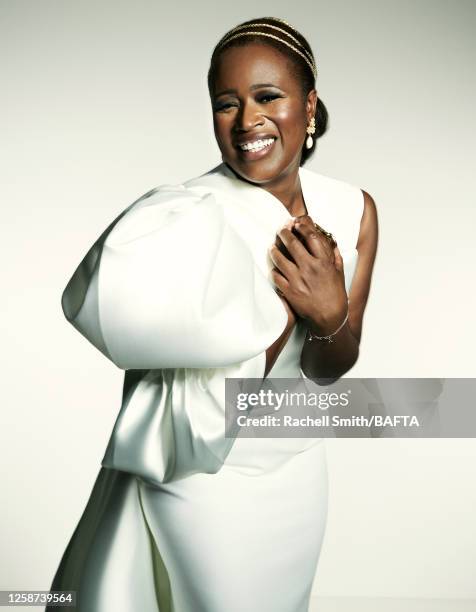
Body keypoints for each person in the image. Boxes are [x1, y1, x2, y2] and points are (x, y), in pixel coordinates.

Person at [47, 16, 377, 612]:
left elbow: (330, 369)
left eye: (268, 97)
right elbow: (102, 309)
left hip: (298, 469)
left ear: (309, 106)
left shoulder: (353, 209)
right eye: (227, 103)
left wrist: (328, 311)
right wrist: (280, 315)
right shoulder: (183, 215)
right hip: (201, 472)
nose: (248, 119)